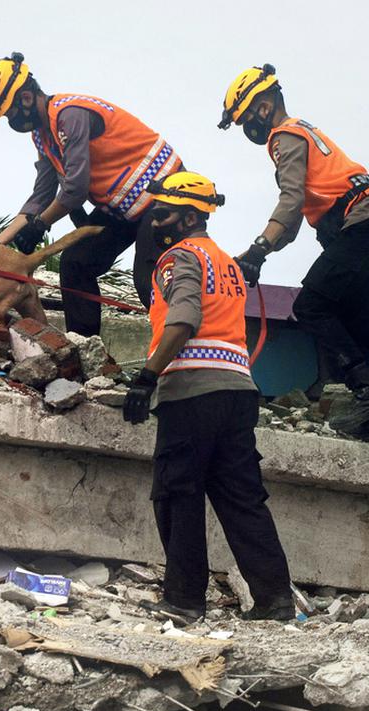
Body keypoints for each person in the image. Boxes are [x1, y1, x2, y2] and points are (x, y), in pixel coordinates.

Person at [122, 171, 294, 626]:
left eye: (162, 213)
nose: (156, 221)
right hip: (238, 393)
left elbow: (183, 319)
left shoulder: (178, 259)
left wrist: (146, 377)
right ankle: (276, 600)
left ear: (189, 216)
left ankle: (183, 600)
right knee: (241, 499)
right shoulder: (228, 264)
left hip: (191, 392)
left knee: (177, 493)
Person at [219, 64, 369, 442]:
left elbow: (290, 201)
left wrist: (258, 249)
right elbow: (291, 227)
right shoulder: (306, 130)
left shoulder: (283, 138)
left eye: (245, 120)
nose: (249, 130)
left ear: (262, 108)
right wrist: (254, 252)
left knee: (312, 305)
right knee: (355, 327)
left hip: (364, 229)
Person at [0, 53, 184, 336]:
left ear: (26, 98)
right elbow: (42, 193)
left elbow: (75, 189)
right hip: (123, 209)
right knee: (76, 262)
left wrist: (40, 225)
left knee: (146, 280)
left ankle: (173, 361)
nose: (11, 121)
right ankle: (86, 351)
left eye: (10, 113)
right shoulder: (42, 135)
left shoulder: (69, 114)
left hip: (166, 197)